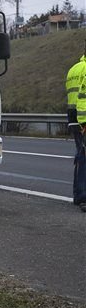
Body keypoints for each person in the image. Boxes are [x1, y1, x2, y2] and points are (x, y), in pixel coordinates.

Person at [68, 51, 86, 211]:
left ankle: (78, 194)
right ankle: (82, 195)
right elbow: (83, 97)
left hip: (73, 116)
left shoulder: (74, 68)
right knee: (83, 156)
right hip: (83, 117)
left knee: (81, 155)